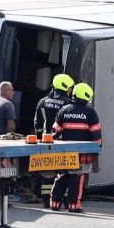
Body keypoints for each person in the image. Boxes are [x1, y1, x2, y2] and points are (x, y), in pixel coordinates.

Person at [50, 82, 102, 213]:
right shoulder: (90, 112)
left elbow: (55, 132)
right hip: (83, 153)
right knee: (78, 177)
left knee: (63, 174)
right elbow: (96, 134)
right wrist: (97, 149)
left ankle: (55, 202)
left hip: (65, 151)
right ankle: (74, 205)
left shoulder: (64, 110)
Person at [34, 73, 74, 138]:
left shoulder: (42, 101)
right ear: (65, 87)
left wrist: (40, 137)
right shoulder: (69, 104)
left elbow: (37, 122)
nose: (71, 91)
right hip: (62, 141)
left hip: (45, 139)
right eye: (70, 88)